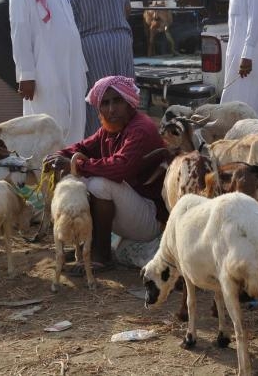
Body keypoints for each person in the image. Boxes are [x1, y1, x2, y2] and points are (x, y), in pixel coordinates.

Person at [45, 76, 167, 272]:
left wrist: (75, 164)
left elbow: (120, 167)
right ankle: (88, 246)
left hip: (150, 218)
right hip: (132, 212)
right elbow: (82, 146)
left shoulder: (140, 129)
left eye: (117, 101)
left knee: (98, 184)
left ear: (129, 102)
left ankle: (102, 255)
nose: (111, 109)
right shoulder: (110, 130)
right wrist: (58, 156)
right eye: (105, 103)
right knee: (79, 178)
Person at [9, 0, 88, 145]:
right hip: (45, 72)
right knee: (49, 125)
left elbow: (70, 30)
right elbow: (19, 34)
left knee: (75, 122)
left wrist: (80, 66)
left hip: (71, 69)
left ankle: (68, 174)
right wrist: (26, 75)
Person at [64, 0, 135, 136]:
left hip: (92, 47)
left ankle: (101, 144)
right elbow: (126, 11)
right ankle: (129, 139)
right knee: (124, 95)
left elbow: (68, 25)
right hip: (122, 42)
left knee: (100, 99)